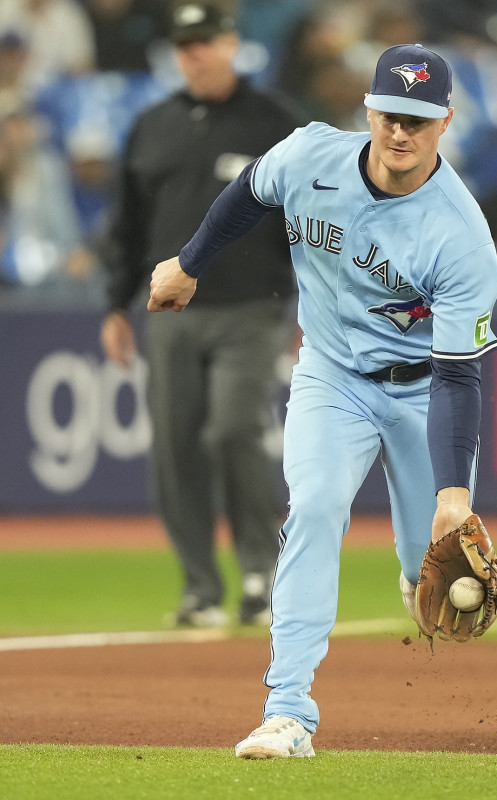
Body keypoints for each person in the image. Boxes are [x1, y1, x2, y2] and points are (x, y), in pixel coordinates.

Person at [147, 42, 497, 760]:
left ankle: (412, 565)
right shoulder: (311, 156)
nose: (401, 132)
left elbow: (460, 378)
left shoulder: (461, 237)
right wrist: (189, 266)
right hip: (330, 377)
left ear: (446, 124)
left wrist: (454, 495)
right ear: (368, 110)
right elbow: (249, 190)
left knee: (429, 566)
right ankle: (288, 714)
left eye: (419, 120)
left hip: (423, 393)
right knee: (311, 507)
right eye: (390, 114)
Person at [99, 2, 303, 629]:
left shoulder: (278, 123)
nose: (196, 53)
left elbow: (312, 223)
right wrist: (114, 302)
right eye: (186, 44)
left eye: (207, 41)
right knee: (175, 447)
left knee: (234, 429)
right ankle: (200, 588)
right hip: (169, 313)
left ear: (231, 43)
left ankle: (260, 575)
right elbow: (128, 226)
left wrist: (310, 306)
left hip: (250, 308)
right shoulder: (152, 125)